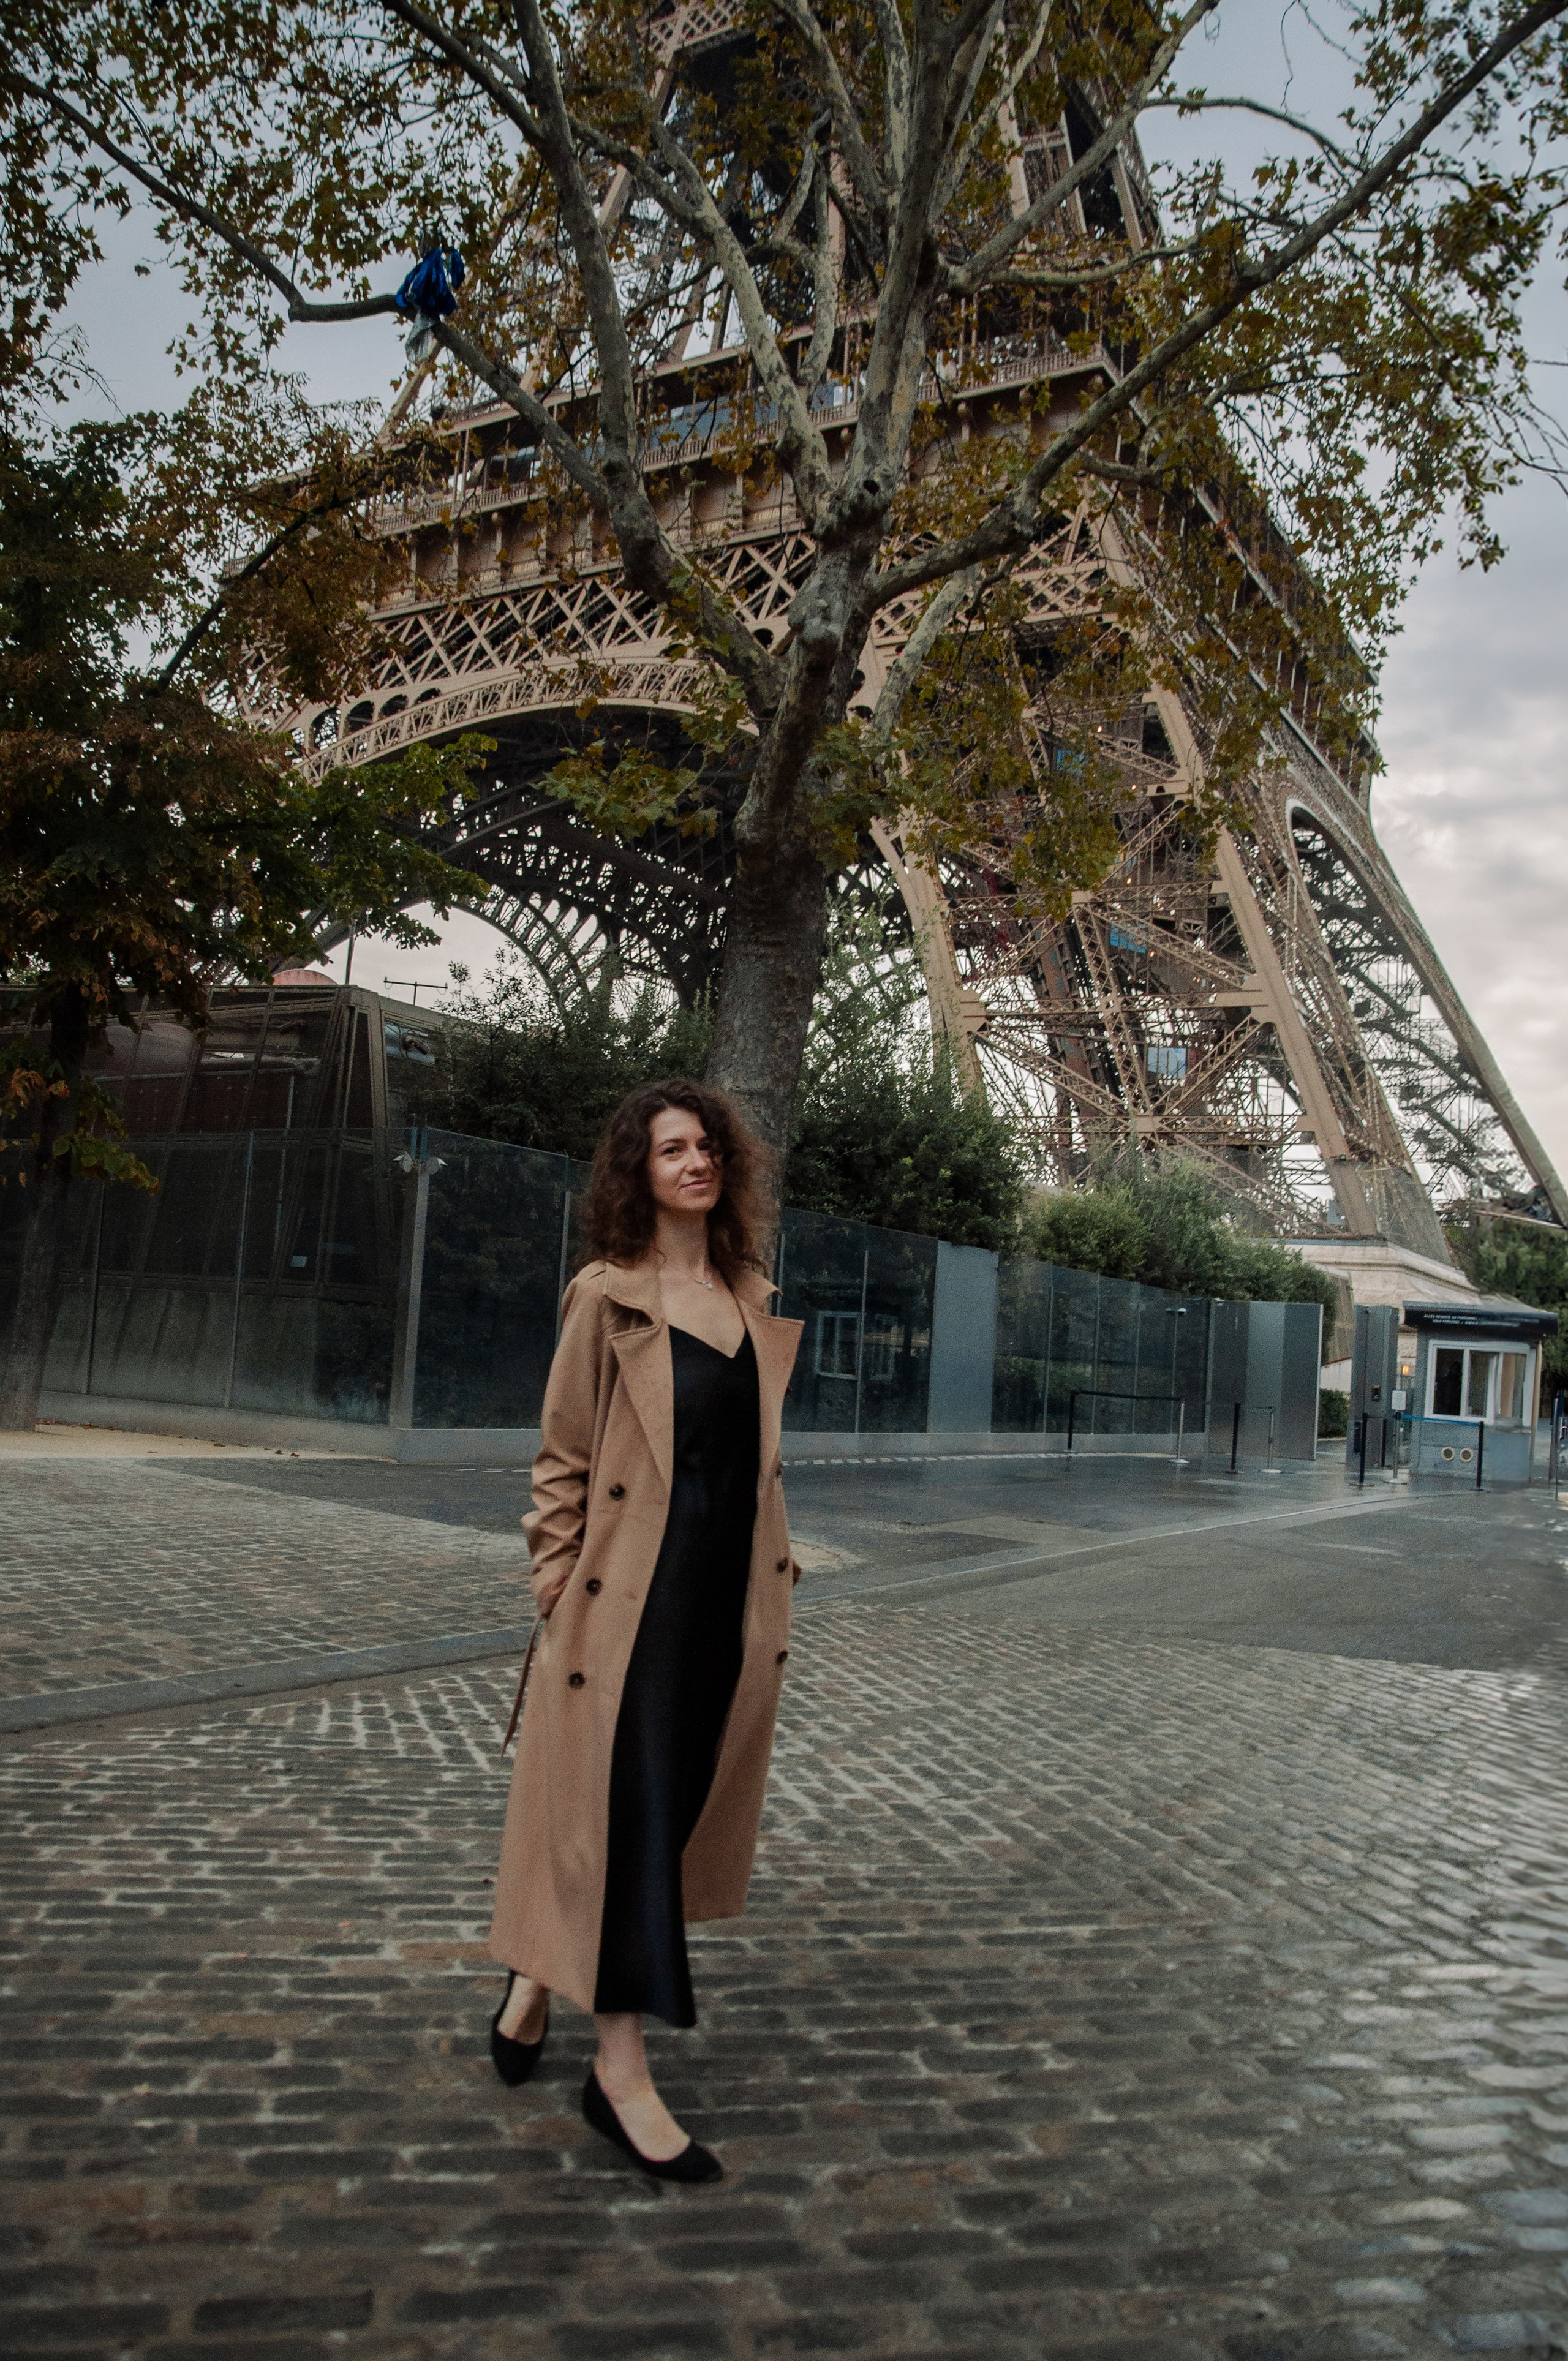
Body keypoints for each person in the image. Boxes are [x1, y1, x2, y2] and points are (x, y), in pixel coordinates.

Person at [486, 1077, 803, 2182]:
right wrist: (555, 1590)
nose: (695, 1162)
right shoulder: (607, 1298)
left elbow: (751, 1466)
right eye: (671, 1149)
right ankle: (617, 2073)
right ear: (640, 1172)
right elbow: (561, 1462)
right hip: (628, 1608)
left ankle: (537, 1979)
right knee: (630, 1815)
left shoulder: (751, 1295)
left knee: (661, 1819)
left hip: (725, 1603)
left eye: (708, 1145)